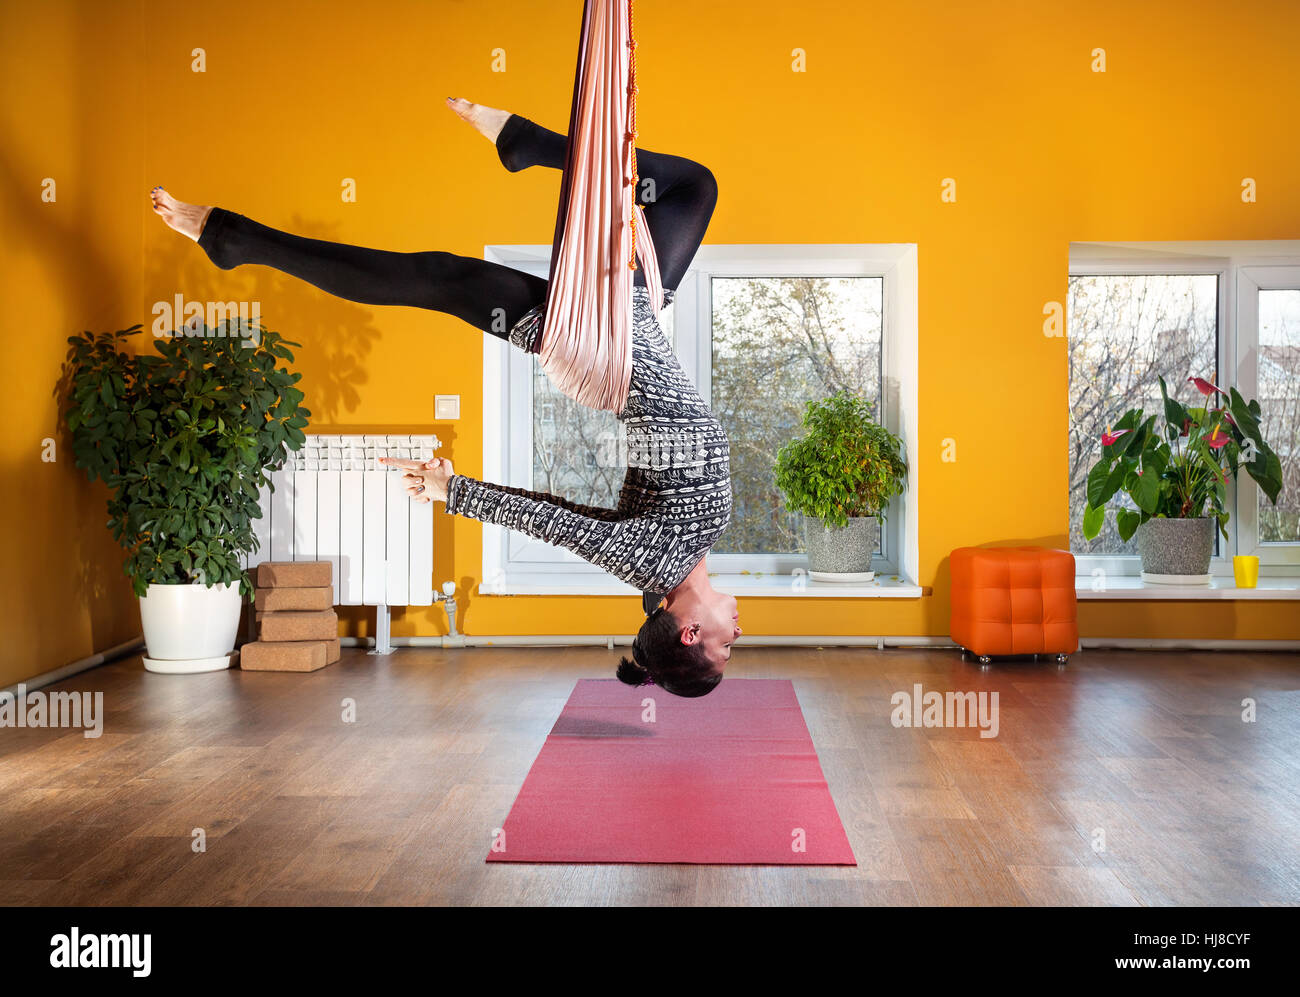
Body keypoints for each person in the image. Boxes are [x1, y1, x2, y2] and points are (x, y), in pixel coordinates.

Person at [150, 98, 740, 697]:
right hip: (633, 322)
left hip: (601, 343)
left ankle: (234, 237)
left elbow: (556, 522)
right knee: (692, 190)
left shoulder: (658, 560)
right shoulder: (680, 552)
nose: (736, 633)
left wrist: (454, 491)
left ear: (690, 633)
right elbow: (589, 507)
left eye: (725, 645)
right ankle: (525, 144)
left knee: (438, 277)